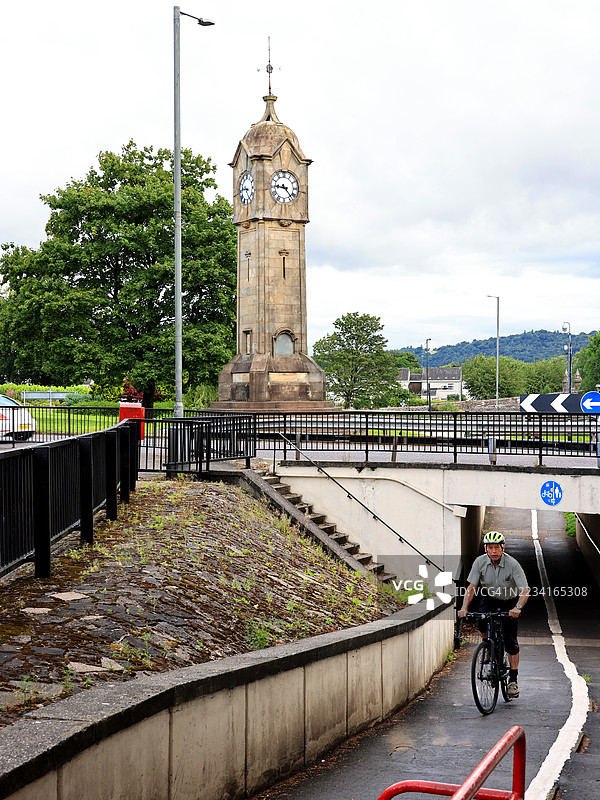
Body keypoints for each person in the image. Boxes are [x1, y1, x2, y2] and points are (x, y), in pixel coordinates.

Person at [457, 530, 529, 699]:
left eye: (497, 547)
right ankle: (488, 645)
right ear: (486, 549)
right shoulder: (480, 562)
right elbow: (472, 587)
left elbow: (525, 590)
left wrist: (517, 608)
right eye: (490, 548)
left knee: (510, 640)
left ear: (502, 547)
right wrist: (464, 608)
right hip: (489, 597)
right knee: (481, 622)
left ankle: (513, 680)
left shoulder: (512, 564)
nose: (494, 551)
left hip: (509, 601)